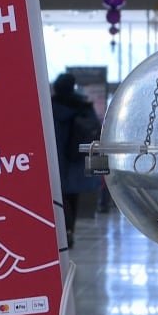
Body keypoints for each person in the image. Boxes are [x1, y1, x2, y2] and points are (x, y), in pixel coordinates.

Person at [51, 73, 102, 248]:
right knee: (72, 197)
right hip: (76, 159)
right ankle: (69, 230)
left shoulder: (50, 105)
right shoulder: (82, 106)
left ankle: (64, 230)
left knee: (59, 197)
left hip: (56, 157)